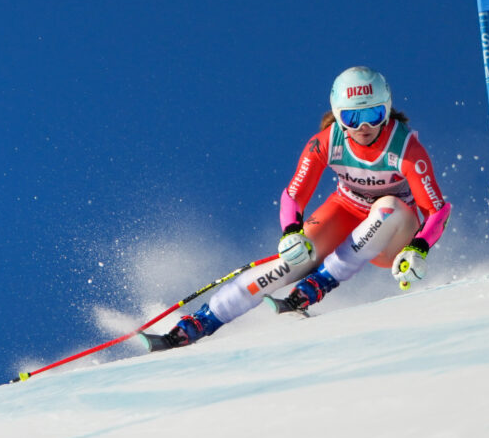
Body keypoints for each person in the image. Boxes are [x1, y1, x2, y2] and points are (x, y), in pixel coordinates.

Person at [142, 66, 452, 351]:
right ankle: (202, 321)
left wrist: (418, 249)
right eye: (352, 118)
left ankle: (319, 283)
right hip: (346, 210)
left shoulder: (406, 148)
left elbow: (437, 210)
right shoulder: (326, 143)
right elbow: (293, 195)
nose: (364, 126)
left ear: (387, 109)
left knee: (388, 206)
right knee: (292, 260)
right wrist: (291, 233)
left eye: (374, 113)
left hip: (393, 234)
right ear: (338, 116)